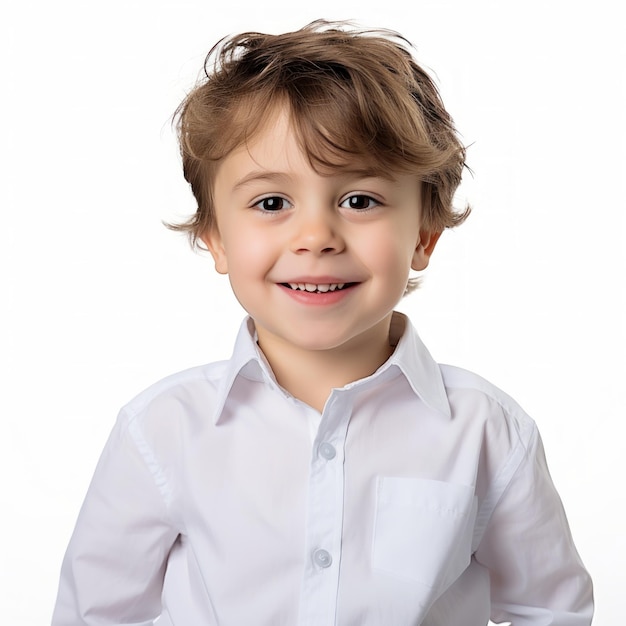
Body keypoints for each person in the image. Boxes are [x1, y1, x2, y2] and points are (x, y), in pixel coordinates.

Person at [51, 20, 593, 625]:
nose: (315, 237)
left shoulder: (490, 433)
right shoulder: (163, 430)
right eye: (270, 203)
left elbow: (551, 611)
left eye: (359, 200)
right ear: (216, 239)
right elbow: (94, 615)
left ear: (424, 235)